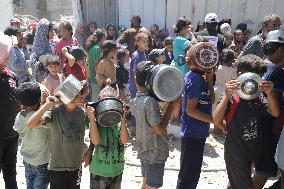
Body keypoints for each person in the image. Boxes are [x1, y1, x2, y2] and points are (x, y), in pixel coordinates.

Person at [213, 54, 279, 189]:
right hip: (236, 153)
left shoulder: (258, 96)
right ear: (240, 74)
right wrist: (226, 95)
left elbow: (275, 112)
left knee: (239, 183)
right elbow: (216, 119)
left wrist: (270, 93)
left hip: (253, 150)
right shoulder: (233, 97)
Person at [130, 61, 179, 189]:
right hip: (155, 153)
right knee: (152, 186)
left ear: (136, 81)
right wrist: (171, 108)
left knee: (145, 184)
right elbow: (158, 129)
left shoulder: (136, 100)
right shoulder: (150, 102)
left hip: (144, 150)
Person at [27, 88, 87, 189]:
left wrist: (88, 152)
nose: (72, 98)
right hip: (57, 169)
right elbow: (31, 124)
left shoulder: (82, 113)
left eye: (76, 95)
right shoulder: (55, 112)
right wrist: (47, 105)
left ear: (81, 97)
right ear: (62, 96)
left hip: (76, 167)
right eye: (69, 94)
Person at [176, 46, 215, 189]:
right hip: (193, 133)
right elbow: (190, 110)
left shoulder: (200, 78)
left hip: (198, 133)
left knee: (191, 174)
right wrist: (214, 121)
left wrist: (210, 80)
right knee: (188, 176)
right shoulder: (195, 79)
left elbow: (211, 99)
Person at [253, 30, 284, 189]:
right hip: (271, 128)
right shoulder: (277, 72)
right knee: (265, 168)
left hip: (257, 124)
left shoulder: (260, 65)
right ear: (279, 50)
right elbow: (276, 107)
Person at [87, 93, 129, 189]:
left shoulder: (119, 124)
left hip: (116, 171)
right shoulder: (97, 125)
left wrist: (123, 119)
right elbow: (95, 141)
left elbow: (124, 140)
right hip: (98, 171)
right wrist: (92, 118)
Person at [14, 82, 51, 189]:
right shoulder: (42, 117)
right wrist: (46, 102)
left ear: (20, 101)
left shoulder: (19, 116)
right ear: (39, 99)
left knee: (29, 186)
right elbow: (51, 112)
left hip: (27, 161)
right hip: (42, 163)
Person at [0, 31, 19, 189]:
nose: (8, 56)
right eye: (6, 53)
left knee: (11, 171)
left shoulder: (11, 76)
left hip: (12, 134)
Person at [30, 18, 54, 83]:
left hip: (51, 77)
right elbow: (33, 63)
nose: (53, 32)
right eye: (51, 30)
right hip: (42, 79)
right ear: (45, 31)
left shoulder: (49, 43)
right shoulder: (38, 45)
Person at [87, 29, 105, 101]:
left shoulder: (93, 47)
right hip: (95, 77)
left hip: (91, 75)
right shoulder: (97, 48)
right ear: (102, 37)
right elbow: (96, 64)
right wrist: (99, 77)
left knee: (94, 95)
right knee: (95, 97)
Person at [128, 32, 148, 98]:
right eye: (143, 41)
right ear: (138, 43)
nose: (145, 43)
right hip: (136, 89)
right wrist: (139, 90)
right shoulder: (137, 56)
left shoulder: (144, 54)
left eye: (146, 41)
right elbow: (135, 74)